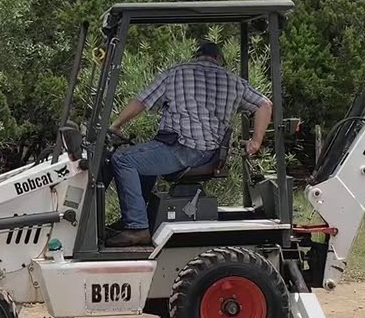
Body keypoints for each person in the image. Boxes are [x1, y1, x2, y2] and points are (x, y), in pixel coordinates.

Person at [104, 41, 272, 247]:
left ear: (196, 56)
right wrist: (255, 142)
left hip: (182, 149)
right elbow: (265, 104)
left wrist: (116, 125)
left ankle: (137, 228)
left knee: (122, 159)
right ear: (219, 59)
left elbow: (141, 101)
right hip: (209, 155)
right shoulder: (233, 81)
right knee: (141, 157)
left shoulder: (175, 73)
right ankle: (137, 218)